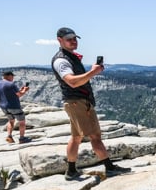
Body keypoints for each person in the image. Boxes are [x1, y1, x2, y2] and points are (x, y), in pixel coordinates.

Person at [51, 27, 128, 179]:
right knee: (95, 136)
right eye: (69, 39)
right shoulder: (61, 60)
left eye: (75, 38)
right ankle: (109, 167)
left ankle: (71, 170)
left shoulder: (70, 57)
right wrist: (93, 72)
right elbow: (71, 82)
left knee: (76, 137)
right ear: (60, 40)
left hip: (76, 102)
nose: (73, 41)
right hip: (77, 102)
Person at [0, 70, 31, 143]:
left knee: (11, 121)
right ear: (9, 76)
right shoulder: (11, 84)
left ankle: (9, 136)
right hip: (14, 106)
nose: (13, 78)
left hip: (3, 107)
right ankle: (22, 138)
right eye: (12, 76)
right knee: (22, 122)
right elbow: (19, 95)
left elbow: (9, 93)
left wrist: (21, 90)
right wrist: (24, 91)